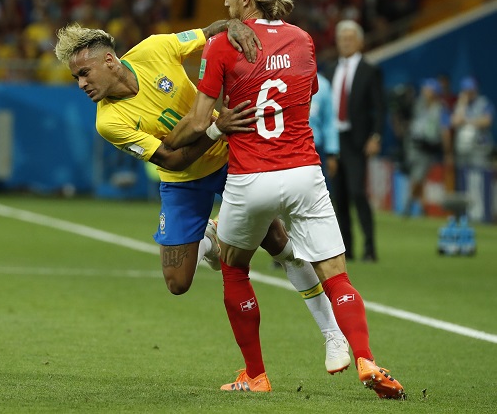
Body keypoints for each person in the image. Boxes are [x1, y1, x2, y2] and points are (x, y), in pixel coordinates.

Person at [164, 0, 404, 398]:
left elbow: (199, 123)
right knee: (336, 274)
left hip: (251, 177)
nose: (223, 0)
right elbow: (305, 94)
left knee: (234, 267)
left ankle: (255, 375)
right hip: (303, 173)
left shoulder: (222, 46)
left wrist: (170, 143)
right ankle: (366, 357)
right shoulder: (304, 40)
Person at [55, 19, 351, 375]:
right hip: (182, 179)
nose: (82, 84)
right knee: (177, 284)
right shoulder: (108, 122)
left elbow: (212, 33)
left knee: (278, 243)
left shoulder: (155, 48)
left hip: (231, 160)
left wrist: (234, 26)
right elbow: (171, 158)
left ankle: (333, 335)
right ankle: (211, 239)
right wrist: (214, 127)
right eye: (76, 78)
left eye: (84, 73)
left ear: (110, 61)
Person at [329, 20, 384, 262]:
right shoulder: (329, 70)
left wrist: (376, 136)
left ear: (360, 41)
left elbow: (380, 109)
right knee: (338, 197)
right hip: (333, 138)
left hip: (356, 139)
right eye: (342, 38)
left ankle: (370, 248)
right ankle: (347, 250)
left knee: (357, 192)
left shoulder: (370, 70)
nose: (346, 42)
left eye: (350, 38)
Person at [403, 78, 451, 216]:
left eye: (427, 89)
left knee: (418, 177)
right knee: (416, 177)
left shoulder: (441, 109)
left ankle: (409, 205)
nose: (424, 92)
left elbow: (445, 130)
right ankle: (420, 206)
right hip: (413, 145)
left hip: (427, 148)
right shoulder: (418, 104)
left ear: (434, 92)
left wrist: (447, 152)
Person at [451, 76, 494, 171]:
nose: (468, 93)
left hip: (480, 148)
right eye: (465, 90)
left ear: (475, 89)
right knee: (464, 177)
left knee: (480, 175)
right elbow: (455, 121)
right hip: (463, 149)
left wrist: (467, 120)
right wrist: (462, 104)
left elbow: (487, 121)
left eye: (470, 90)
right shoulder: (460, 104)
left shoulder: (483, 102)